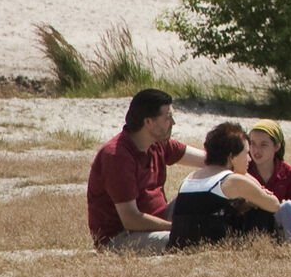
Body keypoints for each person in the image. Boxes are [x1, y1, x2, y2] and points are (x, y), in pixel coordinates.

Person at [86, 88, 207, 252]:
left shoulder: (158, 143)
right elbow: (130, 219)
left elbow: (209, 161)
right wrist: (175, 228)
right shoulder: (117, 156)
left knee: (202, 192)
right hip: (122, 236)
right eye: (168, 117)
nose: (173, 123)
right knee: (187, 240)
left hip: (159, 222)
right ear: (149, 122)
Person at [169, 121, 291, 248]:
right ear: (232, 157)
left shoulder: (190, 178)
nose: (249, 159)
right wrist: (253, 189)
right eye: (246, 153)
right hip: (213, 246)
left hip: (180, 244)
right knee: (276, 209)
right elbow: (274, 204)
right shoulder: (233, 180)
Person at [228, 120, 291, 243]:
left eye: (263, 145)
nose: (256, 150)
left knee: (288, 206)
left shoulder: (289, 174)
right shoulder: (241, 169)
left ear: (276, 146)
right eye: (252, 143)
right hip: (249, 225)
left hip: (278, 227)